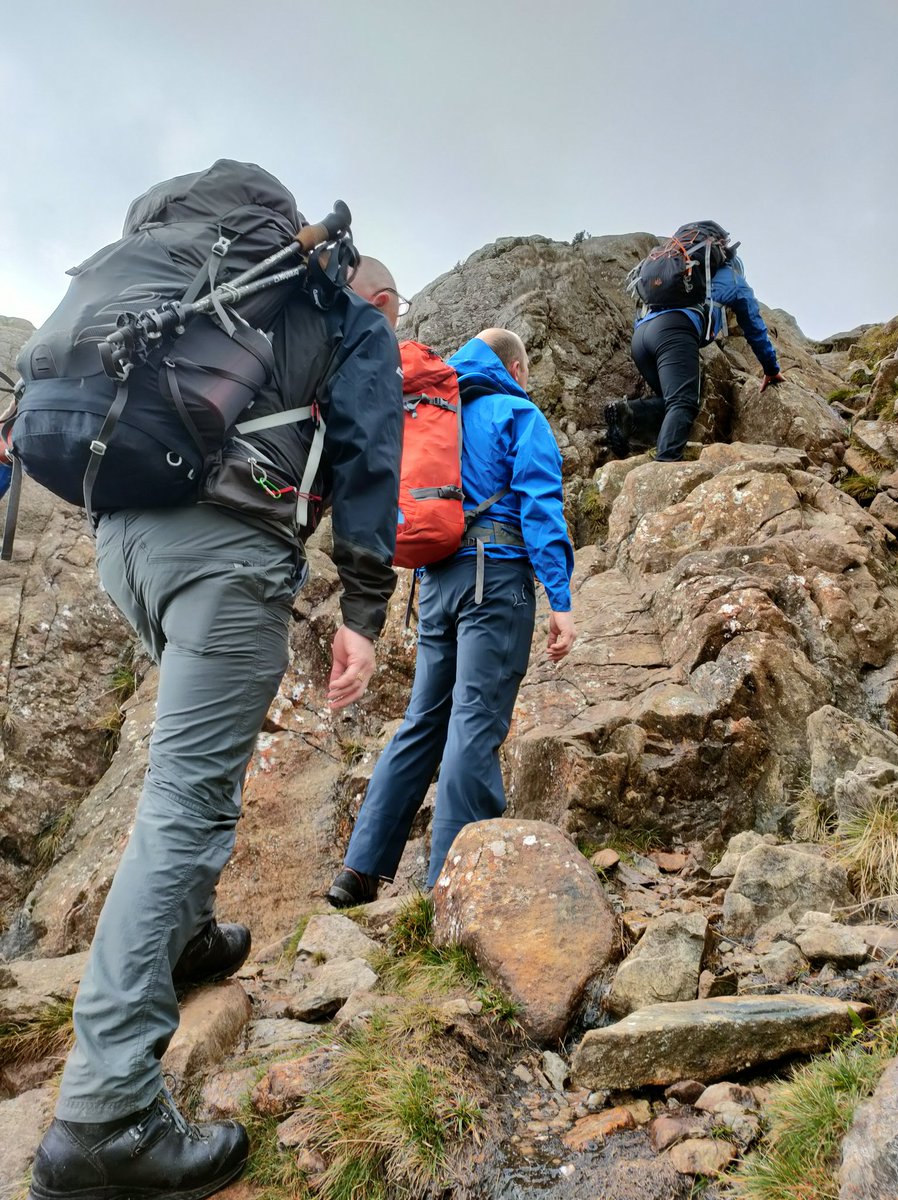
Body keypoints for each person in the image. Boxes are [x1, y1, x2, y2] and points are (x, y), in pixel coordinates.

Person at [27, 258, 404, 1200]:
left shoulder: (213, 302)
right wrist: (364, 610)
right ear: (382, 297)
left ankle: (187, 936)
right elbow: (369, 451)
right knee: (188, 803)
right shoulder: (352, 318)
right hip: (222, 549)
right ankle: (105, 1119)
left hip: (123, 541)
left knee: (186, 769)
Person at [327, 328, 576, 909]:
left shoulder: (430, 412)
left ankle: (359, 870)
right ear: (514, 366)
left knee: (423, 721)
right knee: (476, 719)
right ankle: (452, 881)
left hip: (435, 582)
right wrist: (560, 599)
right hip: (496, 582)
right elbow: (541, 505)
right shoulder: (516, 412)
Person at [605, 225, 784, 462]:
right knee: (683, 403)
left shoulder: (681, 267)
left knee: (670, 402)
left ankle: (628, 414)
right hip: (674, 332)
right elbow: (754, 326)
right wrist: (771, 369)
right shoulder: (731, 277)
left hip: (641, 337)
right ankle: (665, 467)